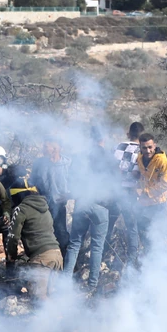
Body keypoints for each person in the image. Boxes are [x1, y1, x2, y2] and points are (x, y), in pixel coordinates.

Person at [63, 128, 114, 293]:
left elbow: (71, 180)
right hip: (101, 207)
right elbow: (115, 184)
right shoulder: (110, 158)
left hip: (82, 203)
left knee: (74, 243)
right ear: (104, 138)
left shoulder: (80, 156)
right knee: (97, 247)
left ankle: (64, 283)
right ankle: (92, 285)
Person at [7, 179, 62, 300]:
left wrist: (11, 256)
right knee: (51, 298)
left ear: (19, 195)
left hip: (42, 259)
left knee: (39, 299)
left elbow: (13, 237)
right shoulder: (45, 207)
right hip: (57, 257)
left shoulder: (21, 209)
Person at [134, 133, 167, 259]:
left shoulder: (162, 161)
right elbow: (140, 176)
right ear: (140, 147)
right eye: (144, 148)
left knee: (157, 238)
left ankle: (161, 262)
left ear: (154, 145)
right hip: (143, 205)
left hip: (158, 205)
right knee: (145, 238)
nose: (148, 151)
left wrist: (145, 192)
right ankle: (148, 262)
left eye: (150, 147)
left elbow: (165, 184)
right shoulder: (140, 158)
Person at [109, 122, 143, 256]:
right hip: (130, 192)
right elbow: (139, 173)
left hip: (114, 190)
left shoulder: (118, 146)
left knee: (109, 224)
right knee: (132, 227)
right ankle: (132, 260)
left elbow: (110, 167)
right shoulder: (142, 150)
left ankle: (102, 254)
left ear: (129, 133)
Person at [31, 141, 71, 255]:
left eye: (46, 147)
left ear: (55, 148)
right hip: (42, 204)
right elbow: (32, 181)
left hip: (59, 204)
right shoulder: (39, 163)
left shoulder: (67, 163)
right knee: (42, 232)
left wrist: (69, 195)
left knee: (61, 233)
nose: (43, 149)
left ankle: (64, 260)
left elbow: (75, 181)